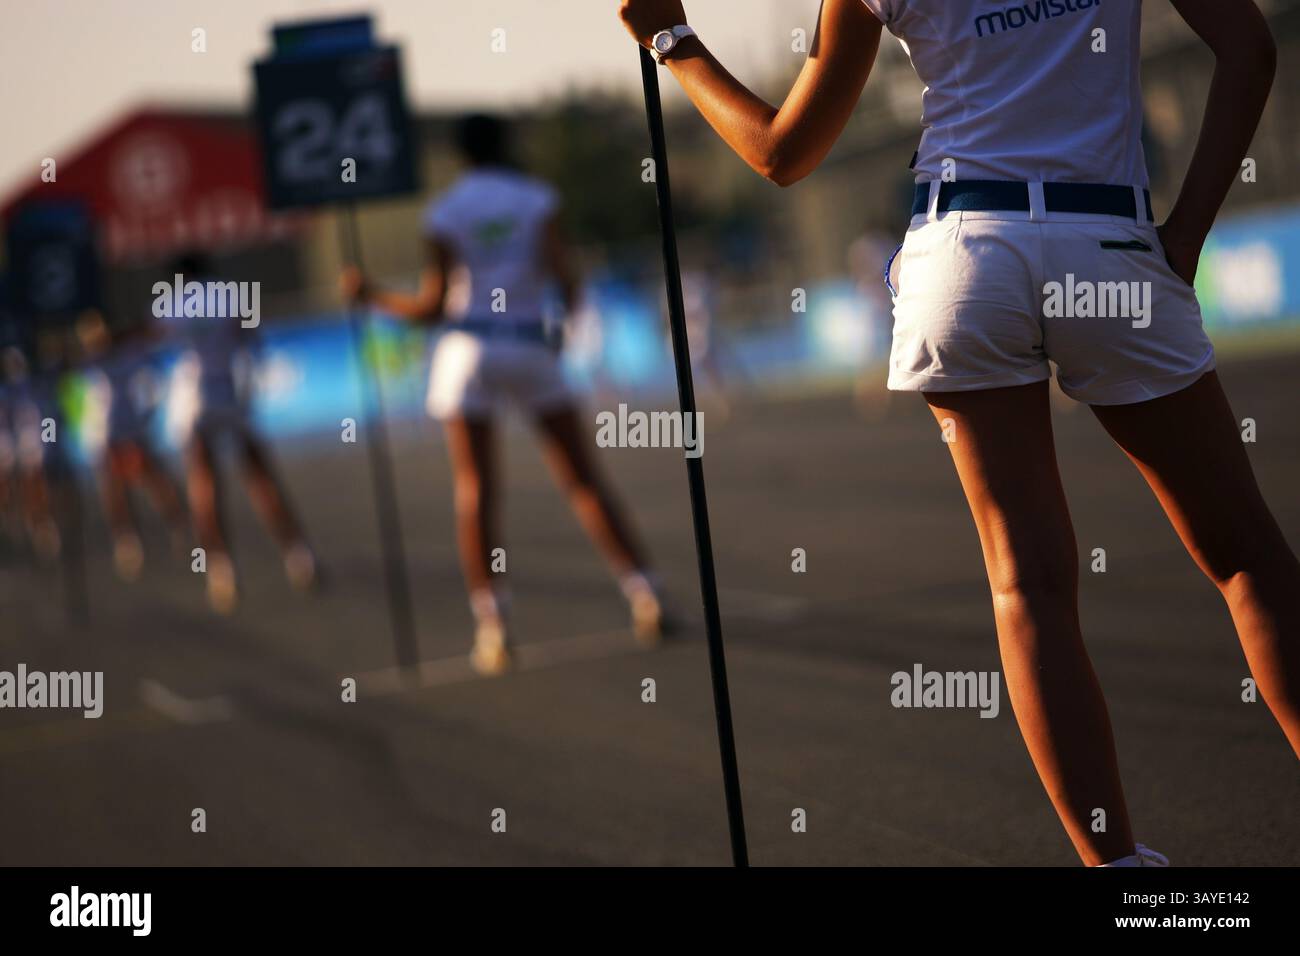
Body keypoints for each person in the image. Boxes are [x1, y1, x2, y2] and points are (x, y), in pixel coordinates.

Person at [617, 0, 1296, 866]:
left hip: (964, 253)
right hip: (1107, 240)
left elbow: (784, 153)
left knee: (1030, 584)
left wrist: (672, 41)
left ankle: (1117, 874)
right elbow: (1248, 48)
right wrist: (1188, 233)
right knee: (1246, 558)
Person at [340, 113, 667, 676]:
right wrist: (560, 333)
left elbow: (432, 306)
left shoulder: (444, 211)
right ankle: (645, 594)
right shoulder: (537, 197)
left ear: (460, 154)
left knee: (476, 491)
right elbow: (566, 281)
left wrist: (370, 295)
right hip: (528, 343)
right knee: (583, 480)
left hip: (468, 352)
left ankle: (493, 625)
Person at [164, 252, 316, 613]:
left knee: (204, 484)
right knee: (260, 477)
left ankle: (220, 569)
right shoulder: (228, 294)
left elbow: (150, 335)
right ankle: (297, 554)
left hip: (194, 396)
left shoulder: (172, 302)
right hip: (229, 391)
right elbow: (252, 339)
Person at [75, 312, 187, 580]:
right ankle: (126, 539)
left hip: (131, 429)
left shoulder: (129, 352)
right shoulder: (89, 362)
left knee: (153, 478)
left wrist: (147, 415)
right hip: (104, 433)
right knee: (113, 488)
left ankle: (179, 524)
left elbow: (152, 339)